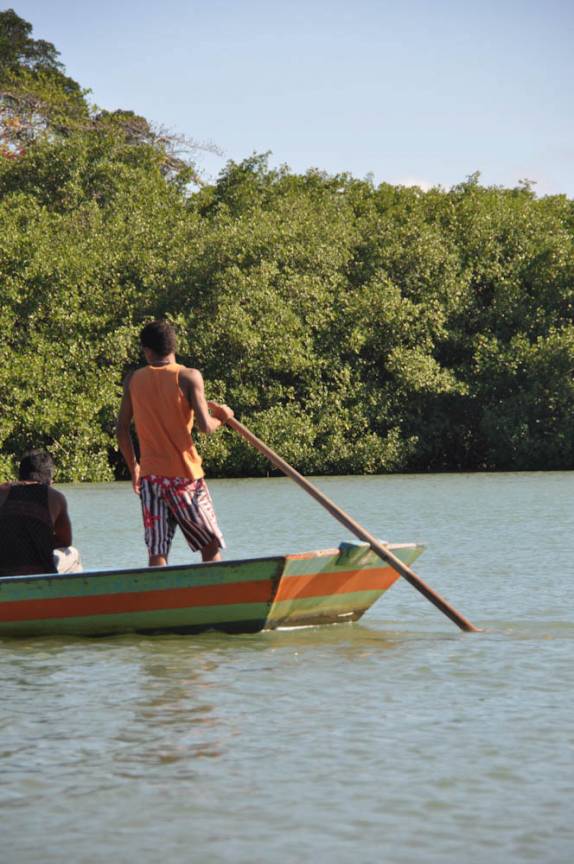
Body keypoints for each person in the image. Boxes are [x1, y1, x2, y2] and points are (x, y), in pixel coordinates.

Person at [116, 320, 233, 566]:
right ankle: (217, 587)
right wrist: (223, 417)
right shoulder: (189, 376)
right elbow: (205, 426)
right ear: (173, 347)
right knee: (209, 544)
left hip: (150, 479)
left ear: (147, 351)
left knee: (157, 550)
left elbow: (122, 428)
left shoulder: (133, 380)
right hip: (184, 477)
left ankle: (159, 590)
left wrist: (134, 468)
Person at [0, 449, 82, 576]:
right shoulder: (56, 497)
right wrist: (38, 540)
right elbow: (65, 541)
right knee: (73, 554)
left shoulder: (3, 491)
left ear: (20, 475)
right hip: (41, 574)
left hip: (4, 575)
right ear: (49, 479)